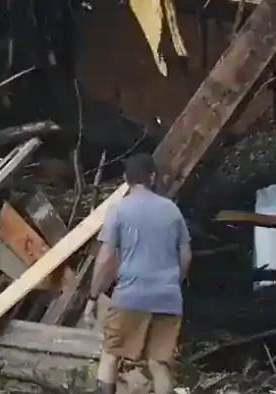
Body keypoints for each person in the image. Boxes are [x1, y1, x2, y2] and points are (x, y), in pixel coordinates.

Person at [90, 153, 192, 394]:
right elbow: (186, 255)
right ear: (153, 177)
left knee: (111, 355)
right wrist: (172, 283)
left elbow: (105, 259)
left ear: (126, 179)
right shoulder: (172, 211)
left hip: (131, 296)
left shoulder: (119, 210)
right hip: (167, 298)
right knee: (159, 362)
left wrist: (93, 296)